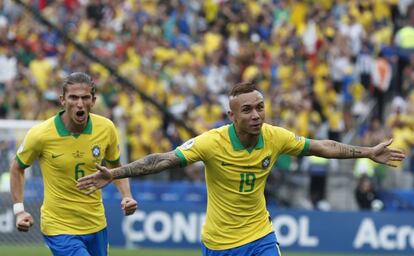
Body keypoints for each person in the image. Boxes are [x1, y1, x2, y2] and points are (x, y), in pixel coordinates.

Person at [77, 81, 405, 256]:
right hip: (219, 244)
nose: (255, 115)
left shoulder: (275, 137)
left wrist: (366, 152)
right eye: (246, 109)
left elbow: (322, 146)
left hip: (261, 235)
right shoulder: (211, 142)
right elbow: (162, 159)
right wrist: (115, 173)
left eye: (260, 107)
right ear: (232, 116)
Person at [10, 72, 138, 256]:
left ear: (93, 101)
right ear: (63, 100)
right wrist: (19, 210)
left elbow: (115, 166)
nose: (80, 103)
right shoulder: (41, 134)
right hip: (59, 227)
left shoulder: (106, 128)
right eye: (73, 97)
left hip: (96, 224)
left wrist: (126, 195)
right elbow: (17, 167)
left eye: (85, 97)